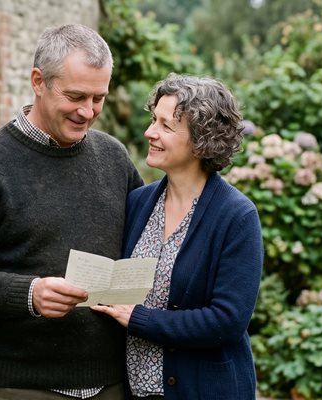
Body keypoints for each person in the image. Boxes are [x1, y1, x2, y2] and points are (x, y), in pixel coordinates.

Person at [0, 23, 143, 400]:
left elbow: (144, 245)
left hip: (111, 381)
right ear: (38, 81)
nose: (88, 111)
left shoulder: (114, 157)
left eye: (99, 98)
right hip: (22, 385)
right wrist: (29, 294)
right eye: (76, 96)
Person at [91, 74, 263, 400]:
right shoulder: (139, 203)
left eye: (166, 126)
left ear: (202, 140)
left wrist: (140, 319)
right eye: (153, 119)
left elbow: (227, 321)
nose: (149, 133)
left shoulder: (236, 217)